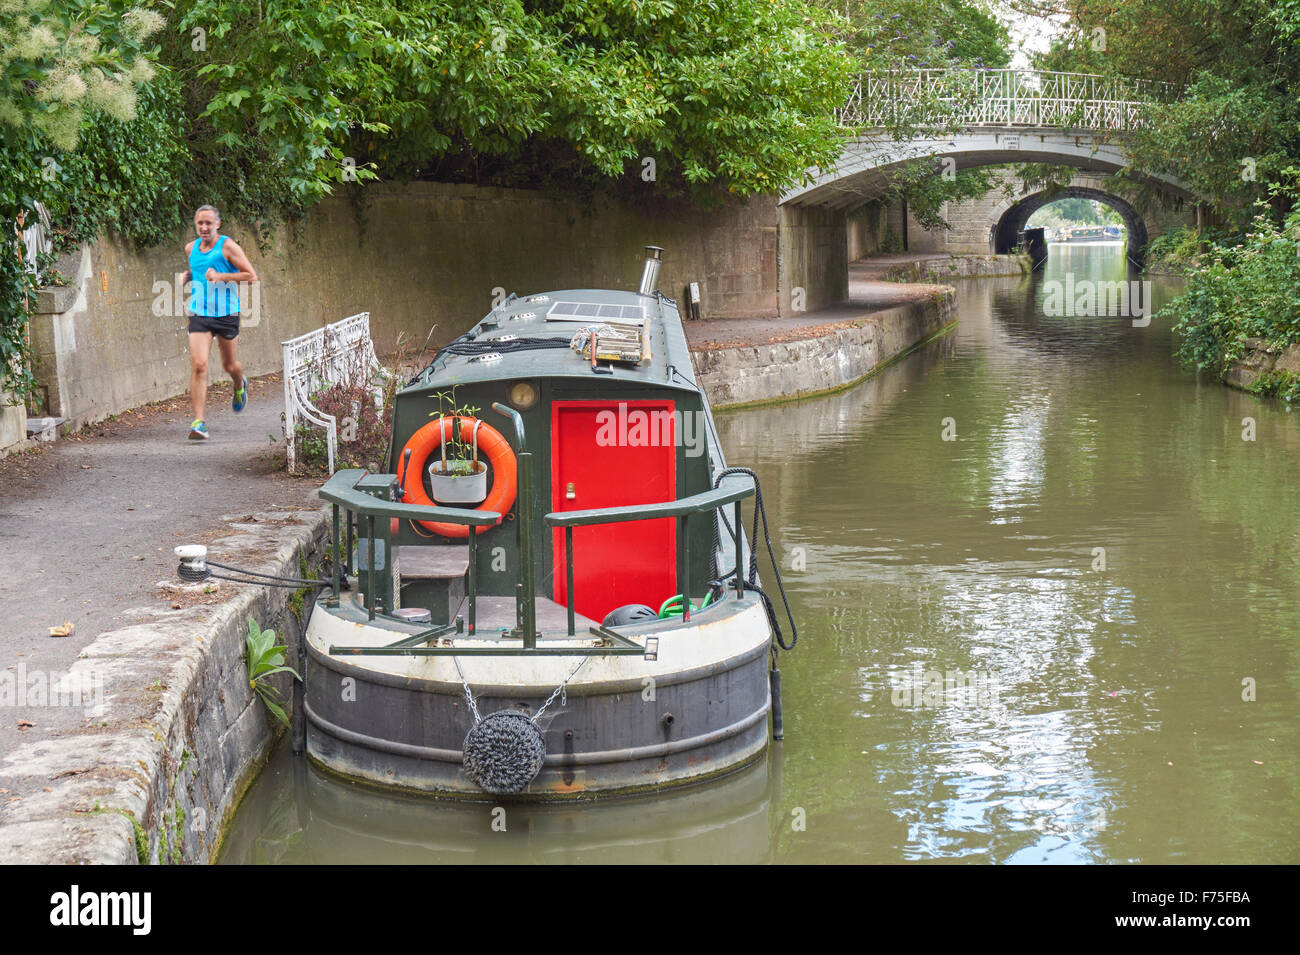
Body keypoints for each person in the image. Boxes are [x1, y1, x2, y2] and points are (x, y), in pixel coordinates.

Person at [183, 205, 258, 439]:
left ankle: (239, 384)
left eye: (208, 223)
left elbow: (251, 276)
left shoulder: (227, 246)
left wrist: (221, 276)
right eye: (200, 224)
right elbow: (198, 271)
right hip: (199, 314)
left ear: (218, 224)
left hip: (226, 314)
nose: (204, 227)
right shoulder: (190, 248)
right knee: (199, 365)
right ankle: (199, 422)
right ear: (196, 225)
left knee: (229, 365)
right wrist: (187, 277)